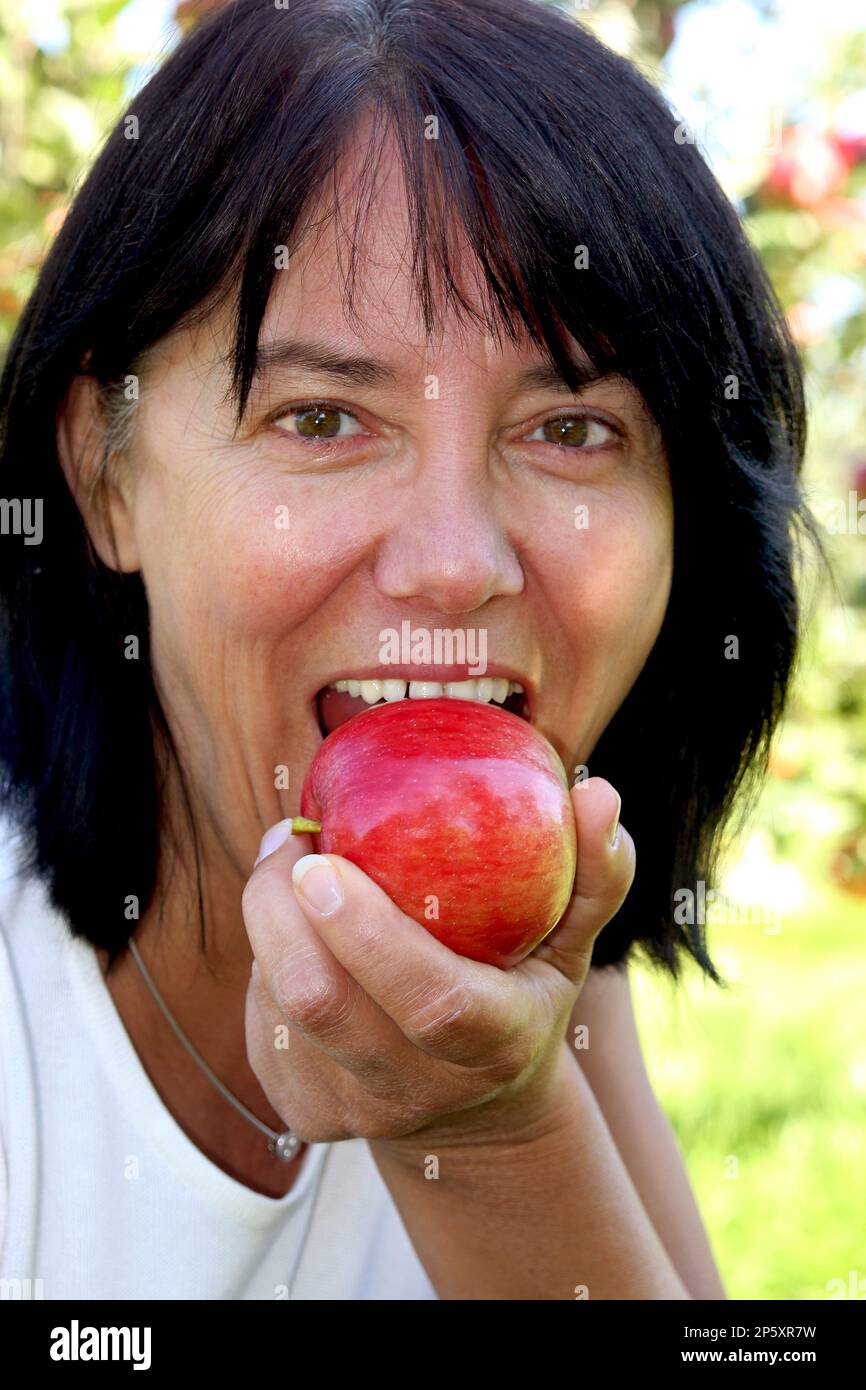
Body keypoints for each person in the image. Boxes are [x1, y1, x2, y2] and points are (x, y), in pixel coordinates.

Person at [0, 0, 815, 1300]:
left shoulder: (531, 971)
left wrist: (496, 1131)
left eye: (570, 428)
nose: (456, 559)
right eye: (322, 417)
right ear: (105, 473)